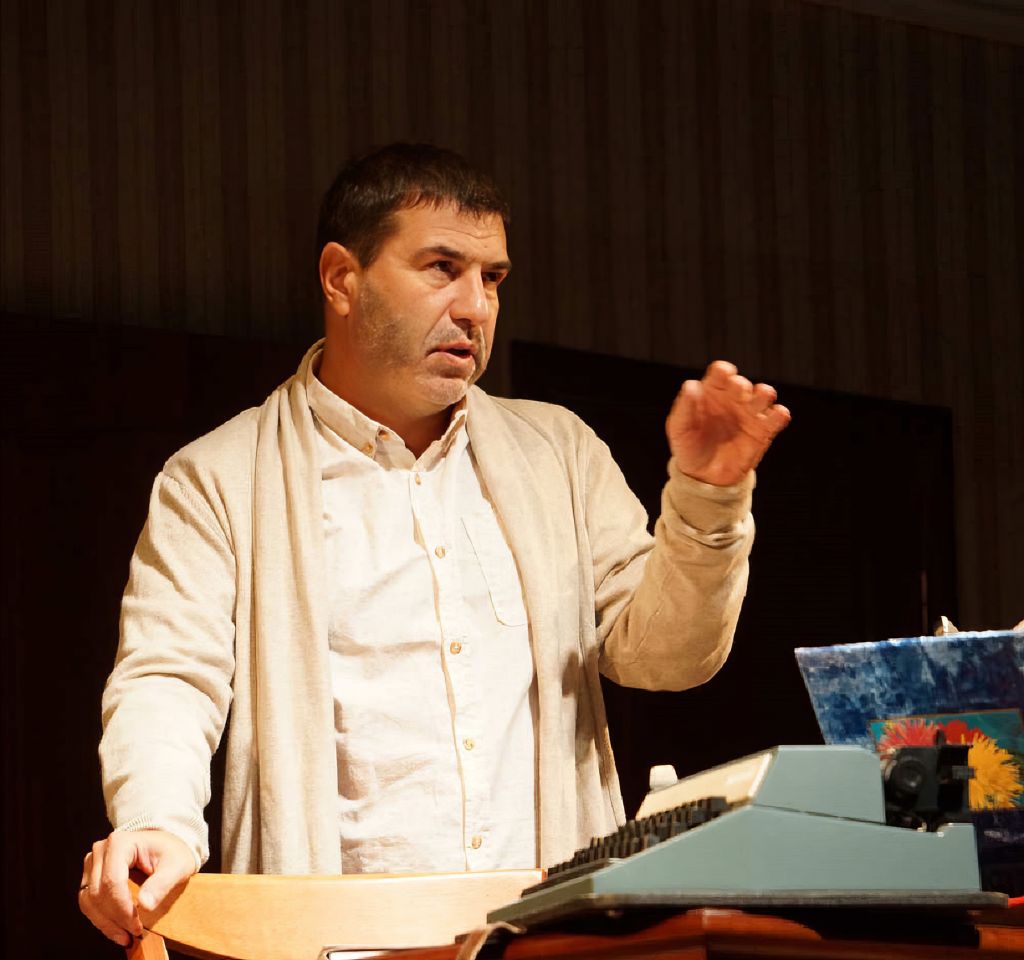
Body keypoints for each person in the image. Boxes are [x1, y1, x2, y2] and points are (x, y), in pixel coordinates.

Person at [79, 143, 790, 946]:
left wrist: (706, 495)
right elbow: (169, 676)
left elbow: (667, 658)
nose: (475, 306)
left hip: (545, 938)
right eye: (442, 268)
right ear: (341, 278)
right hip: (336, 942)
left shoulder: (557, 451)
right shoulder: (217, 477)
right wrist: (158, 820)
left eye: (493, 278)